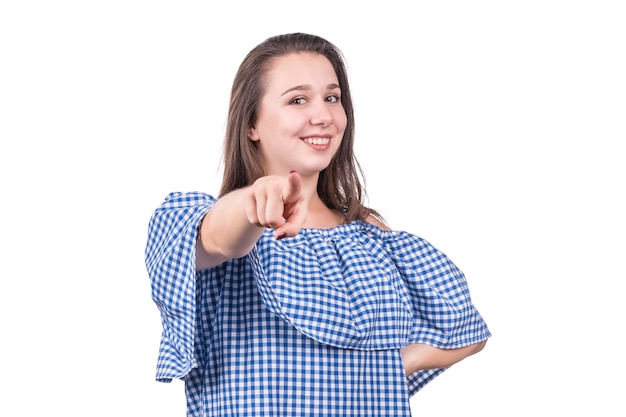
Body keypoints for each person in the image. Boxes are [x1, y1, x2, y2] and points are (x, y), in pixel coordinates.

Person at [145, 32, 491, 417]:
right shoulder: (213, 221)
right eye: (298, 100)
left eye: (332, 97)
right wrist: (253, 203)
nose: (323, 115)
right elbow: (218, 240)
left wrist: (384, 370)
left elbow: (465, 329)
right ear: (250, 125)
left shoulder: (368, 235)